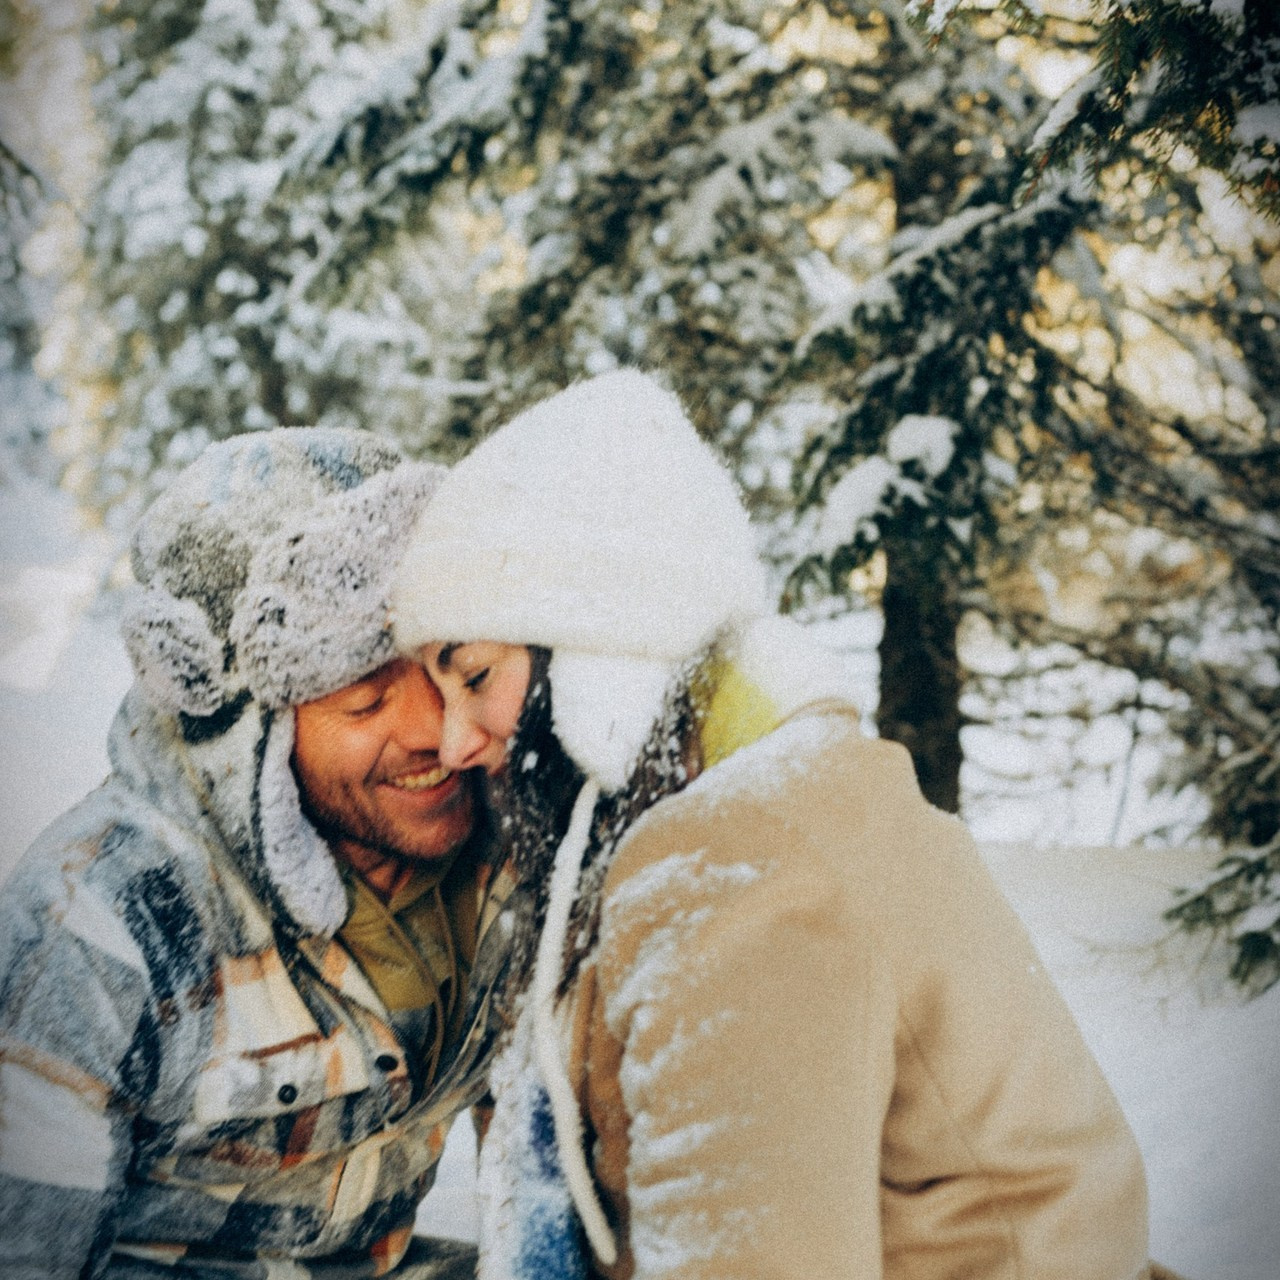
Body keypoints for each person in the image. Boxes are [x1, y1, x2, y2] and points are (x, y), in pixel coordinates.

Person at [390, 369, 1157, 1280]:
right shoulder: (766, 803)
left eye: (473, 677)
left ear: (603, 649)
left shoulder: (736, 867)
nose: (454, 741)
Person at [0, 429, 523, 1280]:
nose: (440, 734)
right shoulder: (91, 934)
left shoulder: (510, 864)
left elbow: (551, 1182)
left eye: (448, 670)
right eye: (364, 702)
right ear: (250, 734)